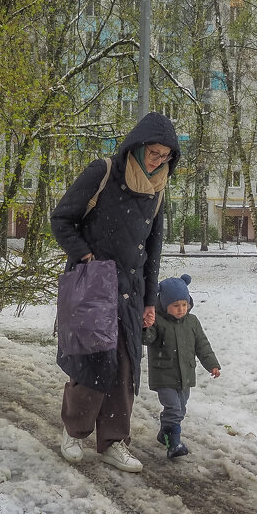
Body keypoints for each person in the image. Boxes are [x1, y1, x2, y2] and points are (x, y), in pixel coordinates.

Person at [51, 112, 180, 473]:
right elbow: (61, 220)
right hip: (94, 283)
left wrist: (150, 300)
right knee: (92, 361)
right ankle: (74, 432)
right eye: (153, 153)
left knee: (125, 367)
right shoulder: (104, 172)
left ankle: (113, 441)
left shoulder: (157, 190)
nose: (157, 161)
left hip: (131, 291)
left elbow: (153, 249)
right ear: (137, 147)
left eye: (165, 156)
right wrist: (86, 257)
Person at [142, 274, 221, 458]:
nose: (181, 309)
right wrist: (145, 327)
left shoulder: (192, 322)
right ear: (164, 305)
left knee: (181, 409)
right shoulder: (157, 321)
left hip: (185, 375)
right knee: (173, 409)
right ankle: (173, 444)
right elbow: (147, 339)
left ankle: (165, 433)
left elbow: (202, 345)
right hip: (164, 375)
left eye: (184, 304)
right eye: (176, 305)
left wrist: (212, 365)